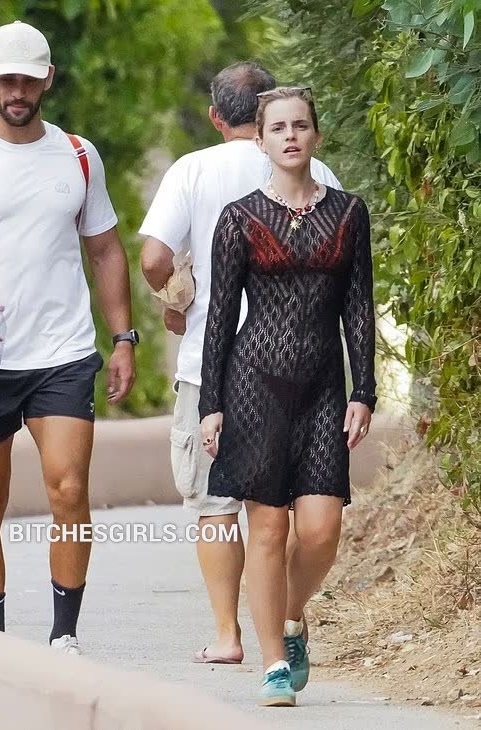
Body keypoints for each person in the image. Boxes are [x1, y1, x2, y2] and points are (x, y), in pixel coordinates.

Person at [0, 20, 138, 656]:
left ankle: (64, 635)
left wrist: (123, 337)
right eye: (7, 79)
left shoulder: (78, 156)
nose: (18, 91)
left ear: (47, 80)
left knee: (69, 488)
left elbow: (105, 250)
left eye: (29, 80)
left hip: (61, 351)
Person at [140, 62, 341, 675]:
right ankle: (286, 616)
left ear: (215, 116)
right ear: (265, 114)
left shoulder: (192, 169)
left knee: (216, 506)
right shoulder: (317, 172)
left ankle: (229, 634)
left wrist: (176, 301)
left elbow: (152, 257)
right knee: (284, 511)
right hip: (302, 369)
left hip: (212, 366)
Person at [198, 86, 377, 706]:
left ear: (316, 135)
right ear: (261, 140)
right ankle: (275, 662)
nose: (291, 136)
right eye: (278, 128)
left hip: (324, 388)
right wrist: (211, 405)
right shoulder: (239, 217)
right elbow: (221, 316)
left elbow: (359, 308)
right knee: (269, 529)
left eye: (300, 125)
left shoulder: (349, 213)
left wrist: (364, 390)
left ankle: (292, 615)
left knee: (322, 530)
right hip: (254, 385)